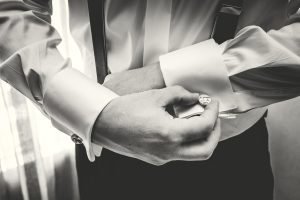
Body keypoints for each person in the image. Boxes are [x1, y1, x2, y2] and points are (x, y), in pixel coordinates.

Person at [0, 0, 299, 199]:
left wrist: (162, 77)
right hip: (101, 147)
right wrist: (94, 114)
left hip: (231, 157)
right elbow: (11, 8)